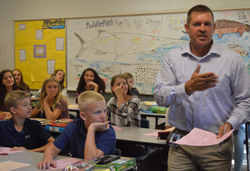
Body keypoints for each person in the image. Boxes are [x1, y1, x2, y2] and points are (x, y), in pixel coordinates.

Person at [154, 4, 250, 171]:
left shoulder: (233, 60)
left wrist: (231, 123)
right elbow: (159, 97)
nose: (202, 29)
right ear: (187, 28)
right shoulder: (173, 58)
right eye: (197, 24)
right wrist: (187, 88)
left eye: (207, 24)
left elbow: (246, 101)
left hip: (216, 144)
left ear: (214, 27)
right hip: (181, 143)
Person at [37, 91, 116, 170]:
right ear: (83, 116)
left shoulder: (108, 132)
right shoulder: (73, 127)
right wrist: (48, 158)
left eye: (105, 111)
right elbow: (51, 149)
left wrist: (91, 129)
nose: (103, 116)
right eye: (98, 112)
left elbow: (90, 160)